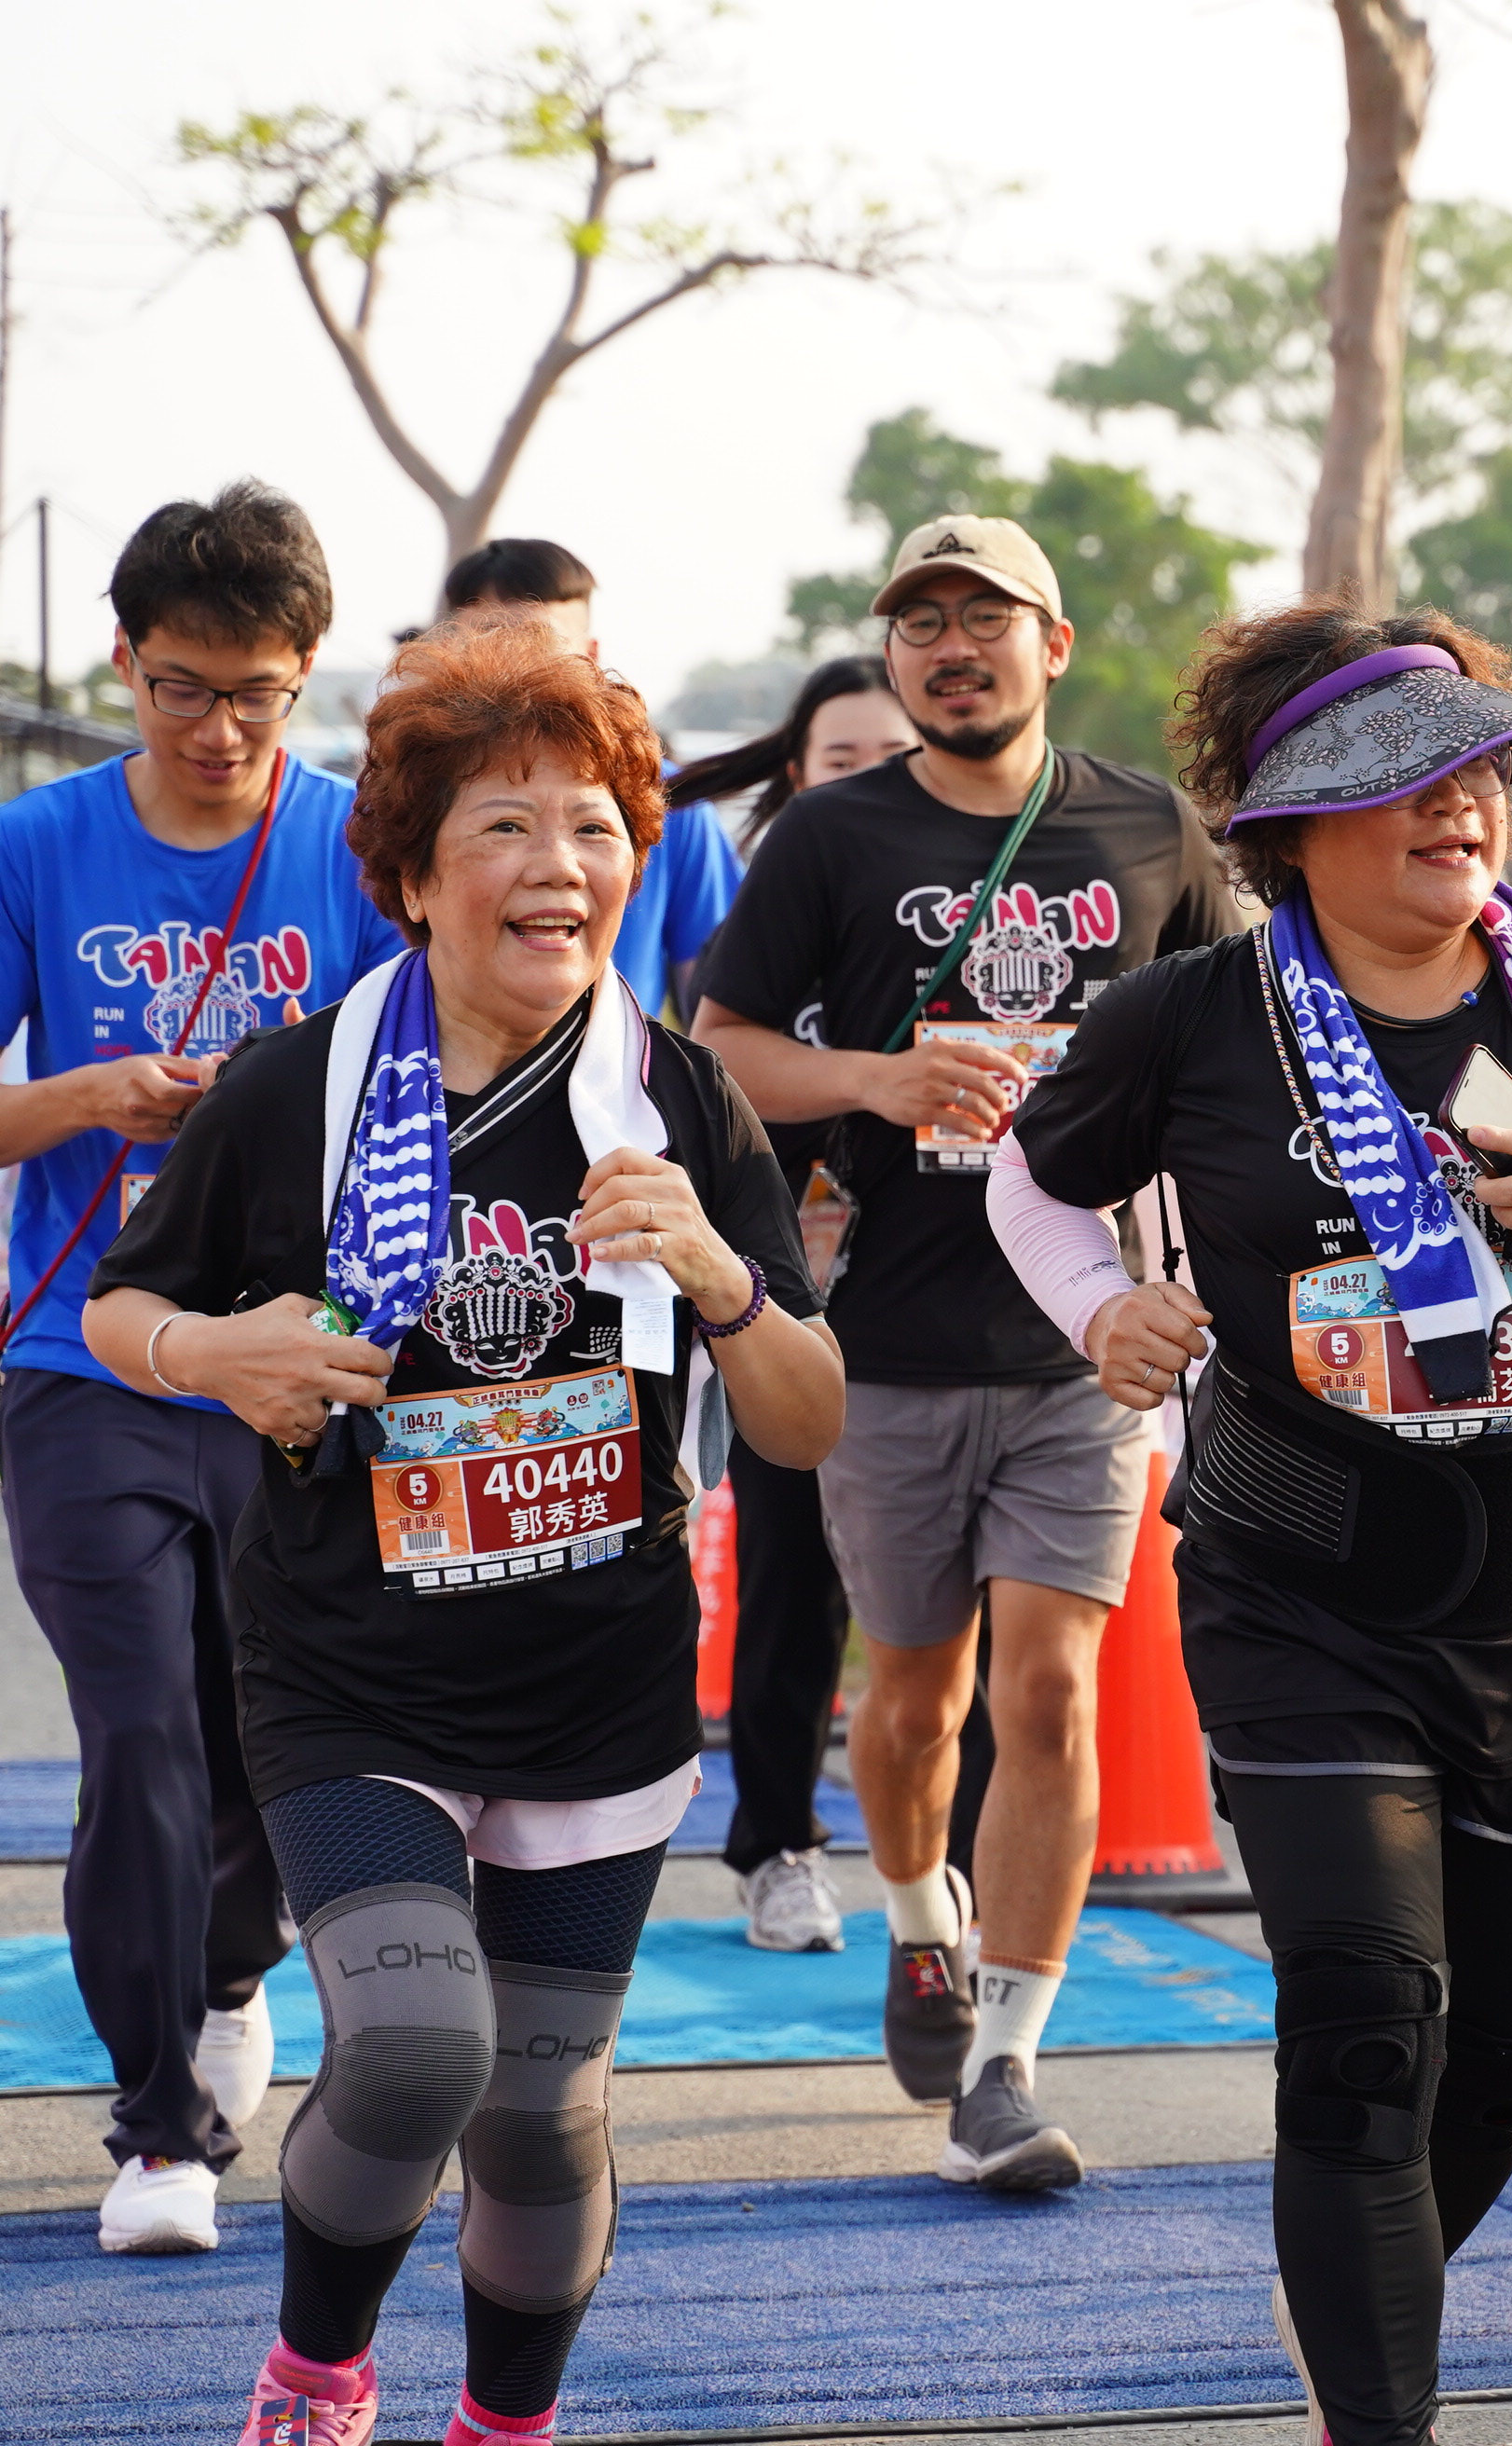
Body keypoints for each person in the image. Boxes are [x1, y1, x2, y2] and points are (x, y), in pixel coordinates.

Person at [994, 603, 1512, 2446]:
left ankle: (1352, 2290)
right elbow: (1031, 1184)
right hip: (1301, 1600)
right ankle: (1380, 2410)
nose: (1462, 807)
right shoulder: (1192, 1016)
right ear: (1292, 826)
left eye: (1482, 770)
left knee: (1497, 2061)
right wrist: (1102, 1310)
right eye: (1407, 780)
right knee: (1364, 2028)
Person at [83, 619, 843, 2446]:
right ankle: (317, 2375)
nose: (559, 863)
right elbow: (121, 1308)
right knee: (423, 2043)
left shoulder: (681, 1099)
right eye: (507, 824)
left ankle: (505, 2423)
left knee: (538, 2110)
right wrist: (216, 1352)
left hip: (598, 1680)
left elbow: (808, 1419)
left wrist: (722, 1274)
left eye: (594, 826)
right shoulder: (297, 1090)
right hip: (351, 1668)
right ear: (417, 876)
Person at [691, 513, 1239, 2182]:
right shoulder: (833, 835)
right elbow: (717, 1051)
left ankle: (1005, 2056)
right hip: (894, 1345)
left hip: (1085, 1346)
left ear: (1051, 646)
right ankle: (920, 1916)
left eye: (983, 617)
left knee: (1050, 1686)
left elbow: (1238, 1045)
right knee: (914, 1699)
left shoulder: (1148, 828)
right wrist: (877, 1078)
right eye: (919, 622)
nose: (950, 647)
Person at [0, 481, 399, 2256]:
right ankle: (159, 2125)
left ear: (305, 674)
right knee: (139, 1733)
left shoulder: (359, 849)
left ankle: (231, 1968)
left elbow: (426, 1088)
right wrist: (88, 1095)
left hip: (294, 1374)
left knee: (259, 1738)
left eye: (255, 692)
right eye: (183, 686)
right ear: (123, 661)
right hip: (83, 1360)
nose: (218, 728)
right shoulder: (32, 848)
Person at [658, 657, 924, 1949]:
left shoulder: (969, 916)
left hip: (954, 1302)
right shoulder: (759, 930)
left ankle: (959, 1865)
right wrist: (864, 1080)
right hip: (791, 1297)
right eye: (839, 762)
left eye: (892, 758)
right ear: (794, 780)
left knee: (959, 1614)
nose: (866, 784)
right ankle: (779, 1843)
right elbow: (707, 1084)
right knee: (794, 1581)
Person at [441, 538, 742, 1015]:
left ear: (590, 655)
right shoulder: (398, 804)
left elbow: (714, 996)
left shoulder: (670, 800)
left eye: (592, 829)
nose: (513, 668)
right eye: (490, 644)